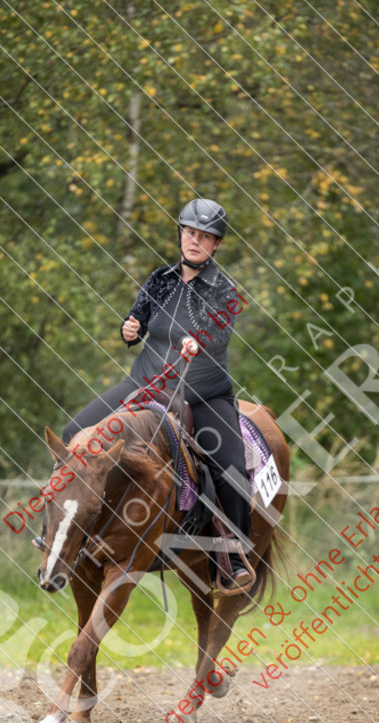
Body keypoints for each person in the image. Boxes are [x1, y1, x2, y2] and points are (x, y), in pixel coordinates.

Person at [60, 197, 253, 590]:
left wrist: (199, 343)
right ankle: (61, 535)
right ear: (180, 234)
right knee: (71, 435)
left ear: (216, 244)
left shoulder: (225, 290)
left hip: (201, 393)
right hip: (144, 384)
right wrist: (128, 331)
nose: (194, 241)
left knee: (231, 467)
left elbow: (217, 336)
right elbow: (137, 321)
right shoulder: (160, 279)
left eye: (204, 236)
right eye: (189, 233)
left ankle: (232, 556)